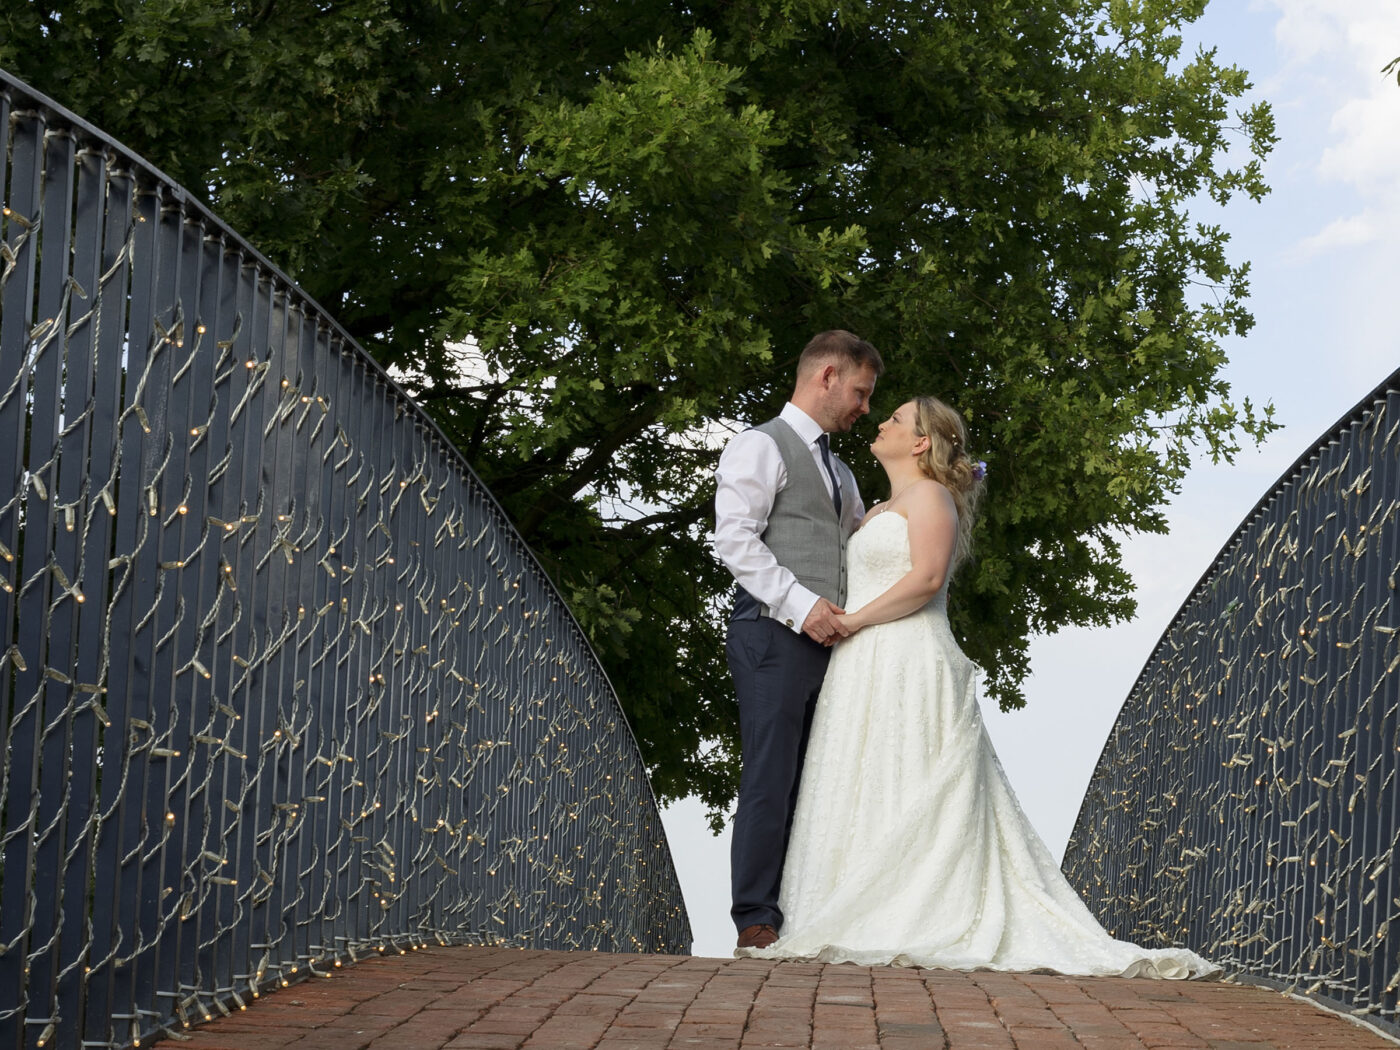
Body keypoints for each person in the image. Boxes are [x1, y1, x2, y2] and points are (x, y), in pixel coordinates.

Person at [737, 396, 1217, 978]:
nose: (879, 420)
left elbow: (928, 578)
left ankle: (924, 907)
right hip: (862, 664)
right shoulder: (875, 505)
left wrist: (856, 621)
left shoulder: (931, 497)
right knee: (863, 779)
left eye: (894, 418)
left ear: (919, 442)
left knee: (915, 778)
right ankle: (857, 901)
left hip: (908, 655)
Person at [713, 330, 885, 951]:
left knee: (824, 780)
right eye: (861, 393)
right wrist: (800, 604)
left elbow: (860, 545)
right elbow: (734, 538)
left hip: (836, 647)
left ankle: (808, 912)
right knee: (771, 774)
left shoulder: (839, 469)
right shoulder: (760, 445)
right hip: (772, 634)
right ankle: (755, 920)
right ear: (828, 376)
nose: (865, 408)